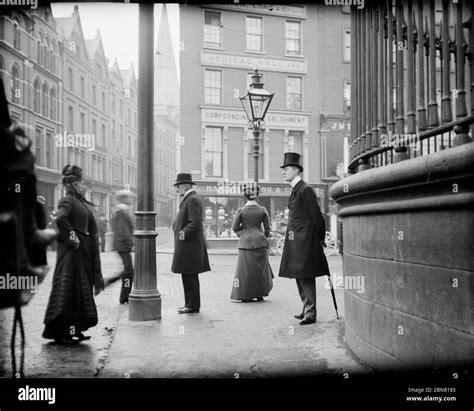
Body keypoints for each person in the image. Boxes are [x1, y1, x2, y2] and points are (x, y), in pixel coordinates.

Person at [42, 165, 104, 343]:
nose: (85, 185)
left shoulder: (80, 201)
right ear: (75, 184)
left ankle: (74, 329)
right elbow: (61, 218)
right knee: (68, 290)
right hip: (71, 253)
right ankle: (62, 332)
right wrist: (73, 238)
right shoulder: (67, 200)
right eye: (82, 183)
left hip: (80, 253)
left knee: (78, 290)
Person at [278, 152, 329, 325]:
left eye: (285, 169)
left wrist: (320, 238)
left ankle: (311, 313)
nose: (283, 172)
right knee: (299, 275)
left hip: (305, 241)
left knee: (306, 276)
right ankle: (305, 308)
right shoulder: (296, 190)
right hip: (297, 241)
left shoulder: (305, 189)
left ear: (295, 170)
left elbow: (317, 216)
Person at [171, 173, 210, 314]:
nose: (176, 189)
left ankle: (192, 305)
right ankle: (189, 304)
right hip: (187, 245)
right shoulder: (188, 199)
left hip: (189, 246)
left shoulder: (192, 199)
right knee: (187, 275)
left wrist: (182, 233)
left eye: (178, 185)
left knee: (190, 276)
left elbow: (195, 223)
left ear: (186, 185)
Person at [230, 183, 273, 302]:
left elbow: (234, 227)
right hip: (260, 242)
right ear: (257, 196)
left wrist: (243, 234)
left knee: (245, 270)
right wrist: (263, 237)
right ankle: (260, 293)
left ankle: (245, 294)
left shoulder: (241, 210)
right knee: (259, 270)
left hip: (245, 243)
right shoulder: (262, 210)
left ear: (245, 196)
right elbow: (268, 229)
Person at [109, 190, 135, 304]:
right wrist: (132, 244)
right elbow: (123, 230)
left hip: (122, 245)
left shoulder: (121, 211)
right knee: (128, 271)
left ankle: (124, 296)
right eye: (129, 198)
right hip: (122, 245)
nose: (131, 200)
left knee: (128, 271)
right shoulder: (121, 212)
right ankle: (124, 297)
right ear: (124, 199)